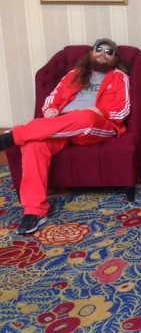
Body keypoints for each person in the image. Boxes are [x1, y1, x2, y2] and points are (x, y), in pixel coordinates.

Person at [0, 39, 130, 235]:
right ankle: (34, 211)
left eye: (109, 51)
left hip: (95, 126)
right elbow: (53, 98)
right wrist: (50, 109)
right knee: (34, 145)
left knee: (85, 116)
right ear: (91, 52)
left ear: (115, 58)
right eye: (99, 49)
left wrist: (100, 113)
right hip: (62, 124)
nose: (103, 53)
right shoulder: (74, 74)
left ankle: (14, 135)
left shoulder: (119, 77)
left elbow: (122, 110)